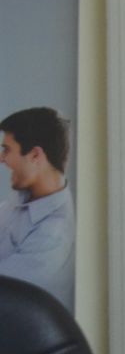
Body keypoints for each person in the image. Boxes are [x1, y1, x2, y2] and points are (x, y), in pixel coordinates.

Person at [0, 107, 75, 310]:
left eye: (7, 150)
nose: (1, 158)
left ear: (35, 155)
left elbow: (5, 294)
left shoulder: (52, 236)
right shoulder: (22, 201)